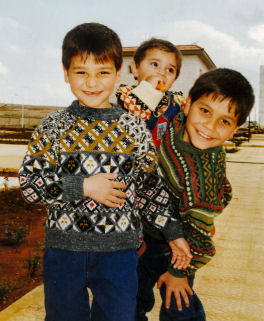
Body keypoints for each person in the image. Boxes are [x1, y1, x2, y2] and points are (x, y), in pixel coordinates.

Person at [18, 23, 191, 321]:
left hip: (119, 255)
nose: (92, 82)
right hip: (63, 253)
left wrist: (173, 232)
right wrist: (83, 186)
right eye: (81, 72)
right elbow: (30, 184)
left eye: (103, 72)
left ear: (119, 72)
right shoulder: (53, 125)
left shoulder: (134, 128)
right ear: (65, 73)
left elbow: (149, 189)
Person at [118, 52, 255, 319]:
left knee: (178, 305)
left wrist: (178, 273)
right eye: (205, 111)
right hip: (141, 232)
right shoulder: (173, 120)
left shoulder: (204, 177)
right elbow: (139, 104)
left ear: (235, 130)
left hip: (180, 243)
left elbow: (201, 238)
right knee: (129, 302)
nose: (209, 126)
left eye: (224, 122)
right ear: (188, 103)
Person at [116, 38, 186, 148]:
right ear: (135, 69)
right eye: (155, 64)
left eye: (170, 70)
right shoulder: (127, 96)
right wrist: (148, 90)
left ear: (174, 81)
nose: (162, 73)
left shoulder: (176, 101)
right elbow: (139, 117)